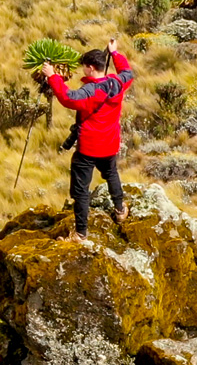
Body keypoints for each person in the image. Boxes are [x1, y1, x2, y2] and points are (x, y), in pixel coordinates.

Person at [40, 39, 134, 241]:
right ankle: (120, 210)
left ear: (91, 68)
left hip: (88, 148)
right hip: (110, 144)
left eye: (84, 67)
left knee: (81, 191)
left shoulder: (90, 91)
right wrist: (115, 53)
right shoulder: (117, 83)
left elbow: (69, 98)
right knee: (111, 174)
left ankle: (81, 233)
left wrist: (52, 76)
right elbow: (127, 72)